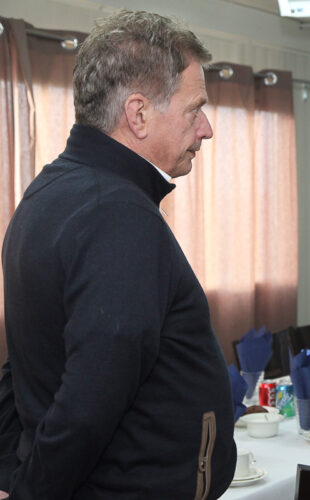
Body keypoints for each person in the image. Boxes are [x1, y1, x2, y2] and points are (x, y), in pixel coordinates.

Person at [0, 10, 236, 499]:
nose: (207, 128)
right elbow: (90, 398)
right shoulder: (117, 214)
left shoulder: (50, 190)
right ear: (139, 113)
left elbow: (25, 363)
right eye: (195, 109)